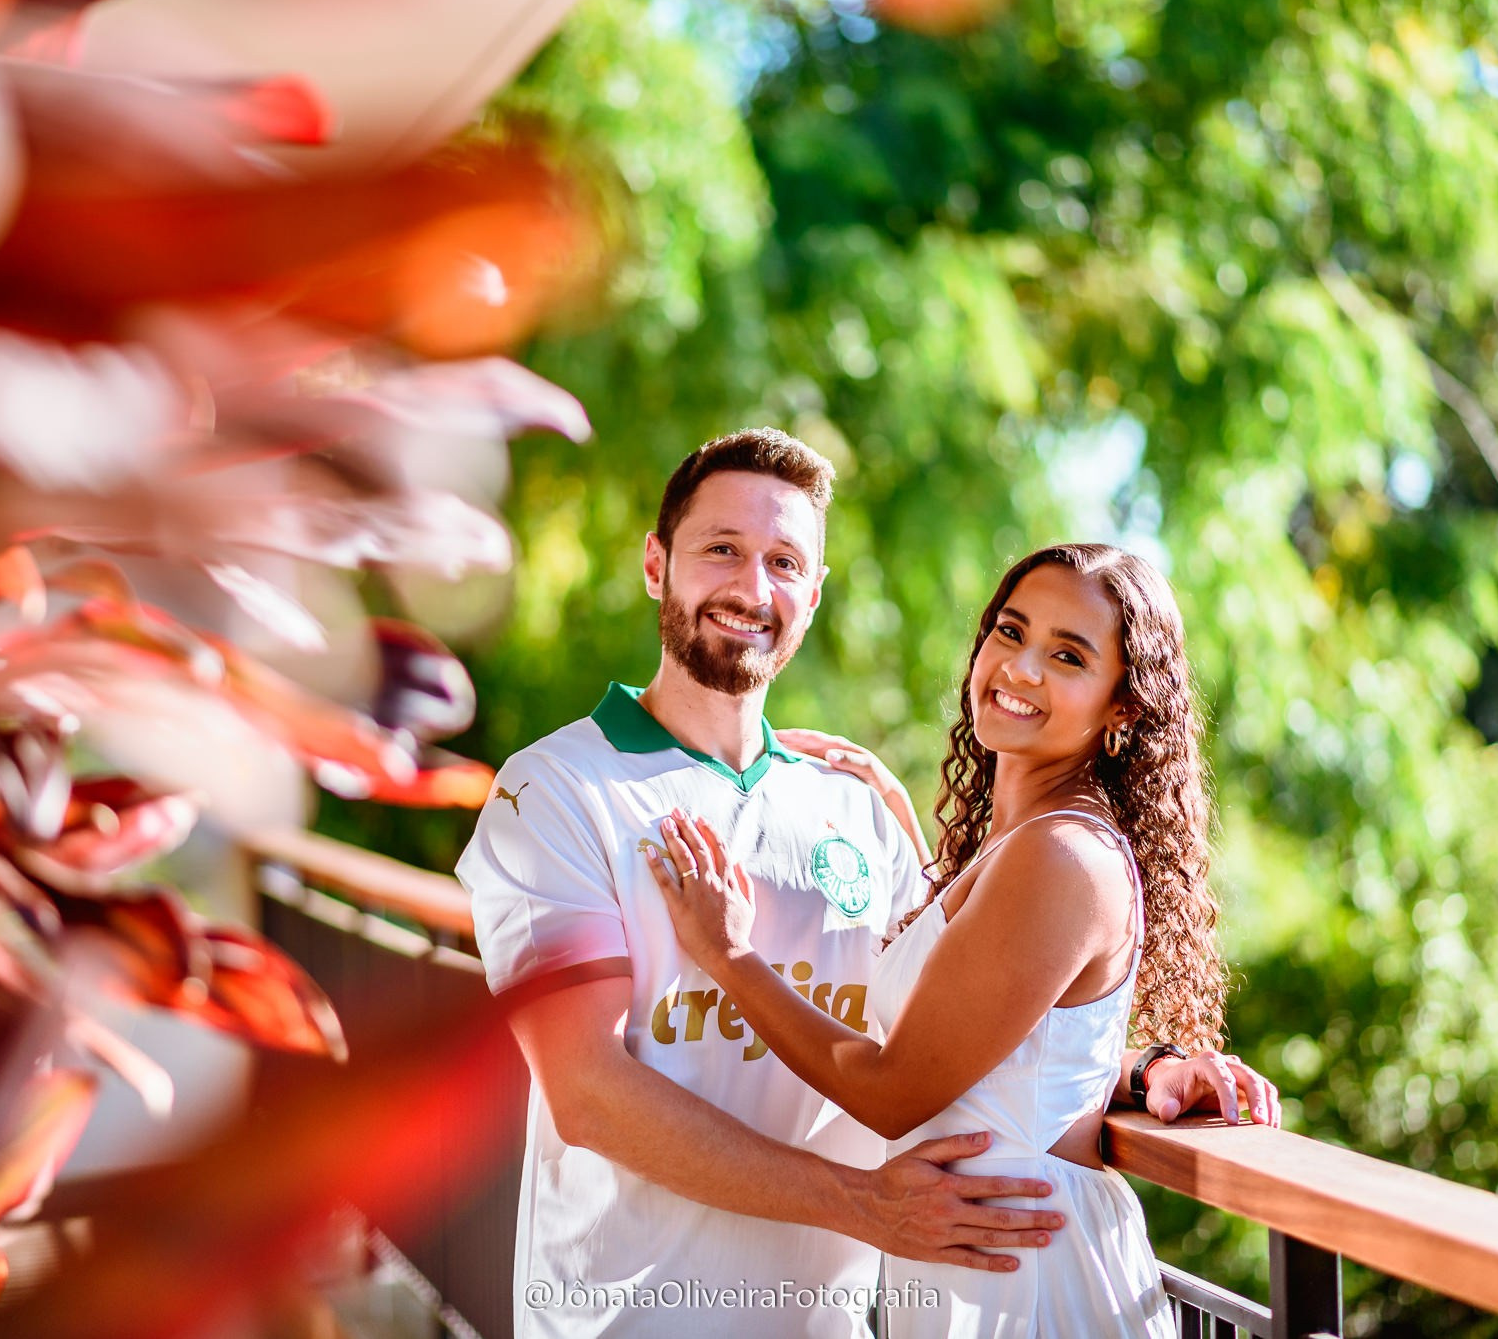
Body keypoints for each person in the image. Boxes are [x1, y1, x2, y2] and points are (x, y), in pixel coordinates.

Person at [457, 431, 1275, 1337]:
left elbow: (954, 1037)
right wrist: (860, 1202)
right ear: (658, 564)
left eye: (783, 561)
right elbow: (588, 1091)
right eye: (721, 548)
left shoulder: (850, 808)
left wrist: (1137, 1069)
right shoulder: (555, 788)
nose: (751, 588)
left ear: (814, 593)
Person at [651, 542, 1256, 1338]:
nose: (1022, 667)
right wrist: (902, 827)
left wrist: (730, 956)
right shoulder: (1011, 848)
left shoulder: (1061, 856)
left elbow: (894, 1089)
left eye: (1067, 654)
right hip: (971, 1261)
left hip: (1030, 1275)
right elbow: (1019, 1045)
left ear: (1123, 709)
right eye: (1011, 631)